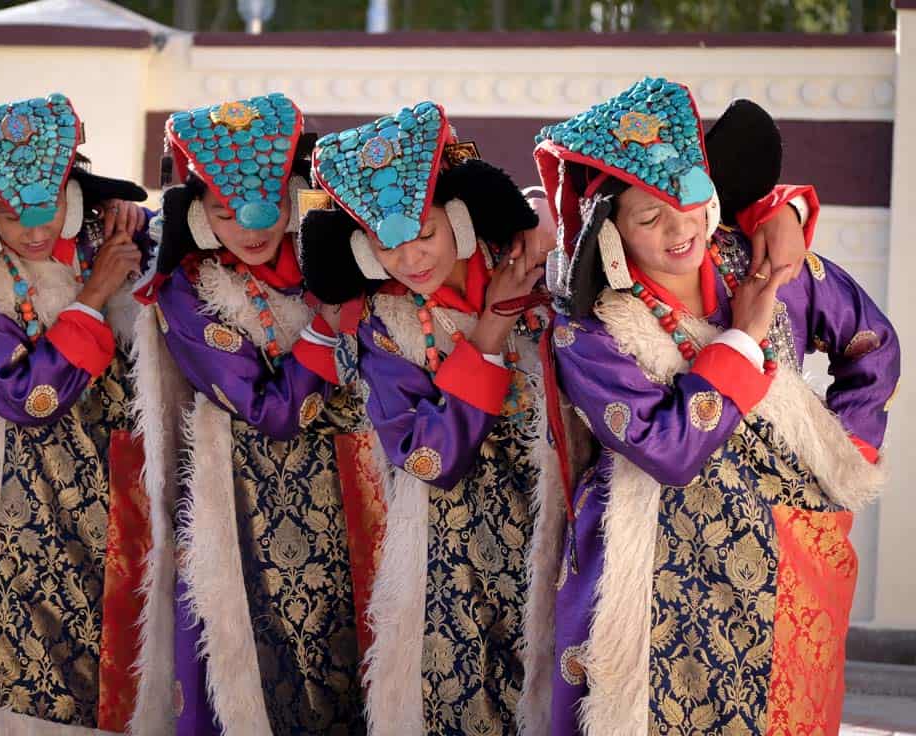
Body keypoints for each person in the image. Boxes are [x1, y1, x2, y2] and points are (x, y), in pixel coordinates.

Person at [530, 77, 899, 735]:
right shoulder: (591, 333)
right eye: (648, 217)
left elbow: (871, 345)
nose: (680, 230)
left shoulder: (760, 264)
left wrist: (847, 453)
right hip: (651, 579)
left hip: (783, 563)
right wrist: (740, 340)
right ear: (608, 234)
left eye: (690, 201)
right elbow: (667, 450)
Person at [0, 92, 167, 735]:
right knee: (26, 671)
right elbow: (26, 397)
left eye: (49, 205)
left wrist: (130, 242)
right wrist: (95, 292)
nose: (34, 228)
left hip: (120, 488)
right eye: (11, 210)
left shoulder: (106, 237)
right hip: (18, 496)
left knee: (123, 665)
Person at [298, 101, 552, 736]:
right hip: (456, 540)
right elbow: (426, 456)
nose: (411, 260)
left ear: (462, 222)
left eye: (426, 234)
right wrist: (492, 328)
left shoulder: (537, 260)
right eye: (388, 244)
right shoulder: (384, 327)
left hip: (562, 520)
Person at [134, 92, 384, 734]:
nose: (251, 224)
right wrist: (328, 332)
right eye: (224, 209)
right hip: (252, 508)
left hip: (365, 494)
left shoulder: (342, 255)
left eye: (269, 202)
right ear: (195, 213)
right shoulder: (187, 290)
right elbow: (271, 410)